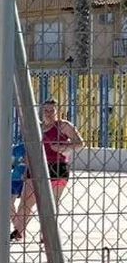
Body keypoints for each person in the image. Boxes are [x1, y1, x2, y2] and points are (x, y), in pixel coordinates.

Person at [12, 99, 84, 241]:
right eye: (46, 111)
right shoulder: (36, 127)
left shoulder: (63, 126)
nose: (49, 114)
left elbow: (80, 143)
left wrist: (64, 148)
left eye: (52, 111)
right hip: (36, 167)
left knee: (51, 204)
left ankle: (46, 235)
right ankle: (19, 231)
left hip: (57, 167)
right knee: (26, 202)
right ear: (41, 112)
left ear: (58, 112)